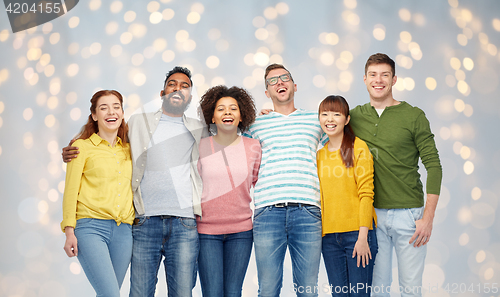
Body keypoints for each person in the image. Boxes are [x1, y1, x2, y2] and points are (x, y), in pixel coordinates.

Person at [62, 66, 206, 297]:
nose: (178, 89)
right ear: (162, 93)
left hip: (182, 223)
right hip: (143, 222)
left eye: (185, 86)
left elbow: (229, 133)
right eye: (172, 84)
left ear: (190, 96)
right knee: (137, 292)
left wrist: (262, 117)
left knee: (181, 293)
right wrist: (72, 147)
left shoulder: (200, 129)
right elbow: (104, 133)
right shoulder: (139, 123)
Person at [349, 53, 442, 297]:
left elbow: (434, 165)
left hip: (409, 217)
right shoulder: (355, 116)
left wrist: (428, 218)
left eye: (384, 75)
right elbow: (327, 125)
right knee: (378, 290)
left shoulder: (414, 116)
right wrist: (270, 115)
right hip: (372, 217)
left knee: (410, 290)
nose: (378, 80)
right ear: (365, 79)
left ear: (394, 79)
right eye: (373, 75)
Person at [245, 64, 325, 297]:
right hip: (268, 212)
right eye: (272, 81)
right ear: (267, 93)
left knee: (308, 290)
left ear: (294, 85)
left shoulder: (316, 120)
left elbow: (337, 149)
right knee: (268, 290)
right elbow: (236, 153)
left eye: (285, 78)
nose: (279, 82)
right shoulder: (255, 125)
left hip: (308, 211)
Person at [61, 90, 134, 297]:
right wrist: (69, 231)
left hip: (124, 232)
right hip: (90, 229)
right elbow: (70, 190)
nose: (111, 112)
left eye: (116, 106)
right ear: (94, 115)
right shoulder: (81, 148)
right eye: (104, 108)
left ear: (122, 112)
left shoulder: (130, 149)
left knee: (108, 294)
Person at [197, 85, 261, 297]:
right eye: (221, 109)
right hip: (206, 232)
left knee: (233, 292)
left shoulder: (254, 147)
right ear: (212, 117)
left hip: (241, 232)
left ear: (241, 116)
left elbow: (258, 182)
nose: (227, 113)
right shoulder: (200, 146)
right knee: (212, 293)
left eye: (233, 109)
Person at [316, 95, 377, 297]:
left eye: (336, 114)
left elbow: (366, 194)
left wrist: (363, 237)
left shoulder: (358, 147)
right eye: (324, 114)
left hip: (357, 234)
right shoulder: (319, 155)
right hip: (330, 238)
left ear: (347, 119)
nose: (330, 119)